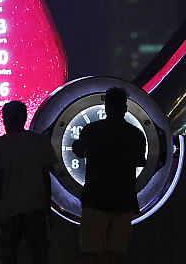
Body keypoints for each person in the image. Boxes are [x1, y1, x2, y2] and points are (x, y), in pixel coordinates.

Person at [71, 87, 147, 264]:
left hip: (95, 197)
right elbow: (139, 161)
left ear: (106, 107)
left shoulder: (92, 130)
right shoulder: (135, 134)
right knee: (117, 251)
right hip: (123, 199)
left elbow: (80, 151)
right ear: (125, 108)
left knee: (90, 250)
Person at [0, 100, 56, 264]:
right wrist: (48, 208)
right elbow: (46, 177)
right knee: (39, 254)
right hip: (36, 206)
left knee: (9, 254)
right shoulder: (39, 141)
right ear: (25, 118)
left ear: (5, 119)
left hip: (9, 208)